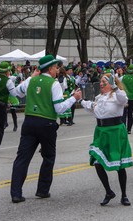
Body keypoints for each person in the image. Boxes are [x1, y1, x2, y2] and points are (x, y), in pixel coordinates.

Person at [10, 55, 82, 203]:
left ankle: (16, 193)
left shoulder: (31, 80)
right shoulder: (53, 84)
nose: (57, 70)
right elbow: (59, 108)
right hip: (47, 123)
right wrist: (74, 98)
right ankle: (42, 190)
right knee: (48, 157)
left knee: (22, 158)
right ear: (50, 68)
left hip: (29, 121)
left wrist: (31, 77)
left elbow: (17, 92)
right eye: (56, 67)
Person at [80, 70, 133, 206]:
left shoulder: (117, 95)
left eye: (104, 82)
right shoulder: (99, 98)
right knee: (97, 162)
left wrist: (115, 86)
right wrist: (79, 100)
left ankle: (124, 195)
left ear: (111, 84)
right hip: (101, 132)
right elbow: (91, 107)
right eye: (102, 82)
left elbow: (124, 100)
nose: (102, 84)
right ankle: (109, 191)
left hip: (115, 131)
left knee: (119, 166)